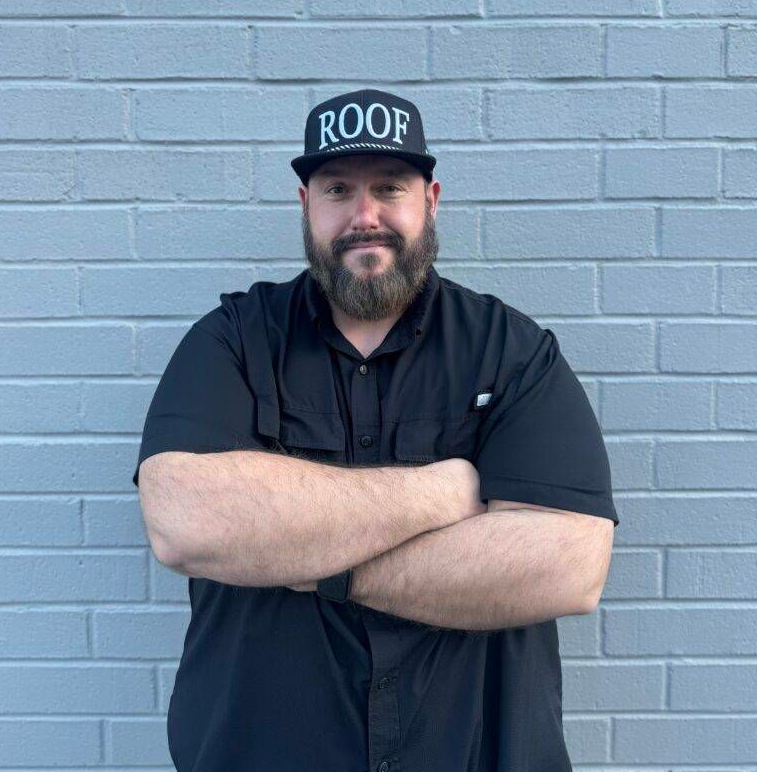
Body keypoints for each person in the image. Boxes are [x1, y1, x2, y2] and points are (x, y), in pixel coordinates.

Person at [133, 88, 620, 772]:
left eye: (389, 187)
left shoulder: (510, 351)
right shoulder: (235, 343)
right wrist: (439, 495)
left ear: (431, 200)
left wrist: (307, 559)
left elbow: (568, 567)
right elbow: (184, 519)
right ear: (307, 207)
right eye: (338, 190)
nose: (365, 216)